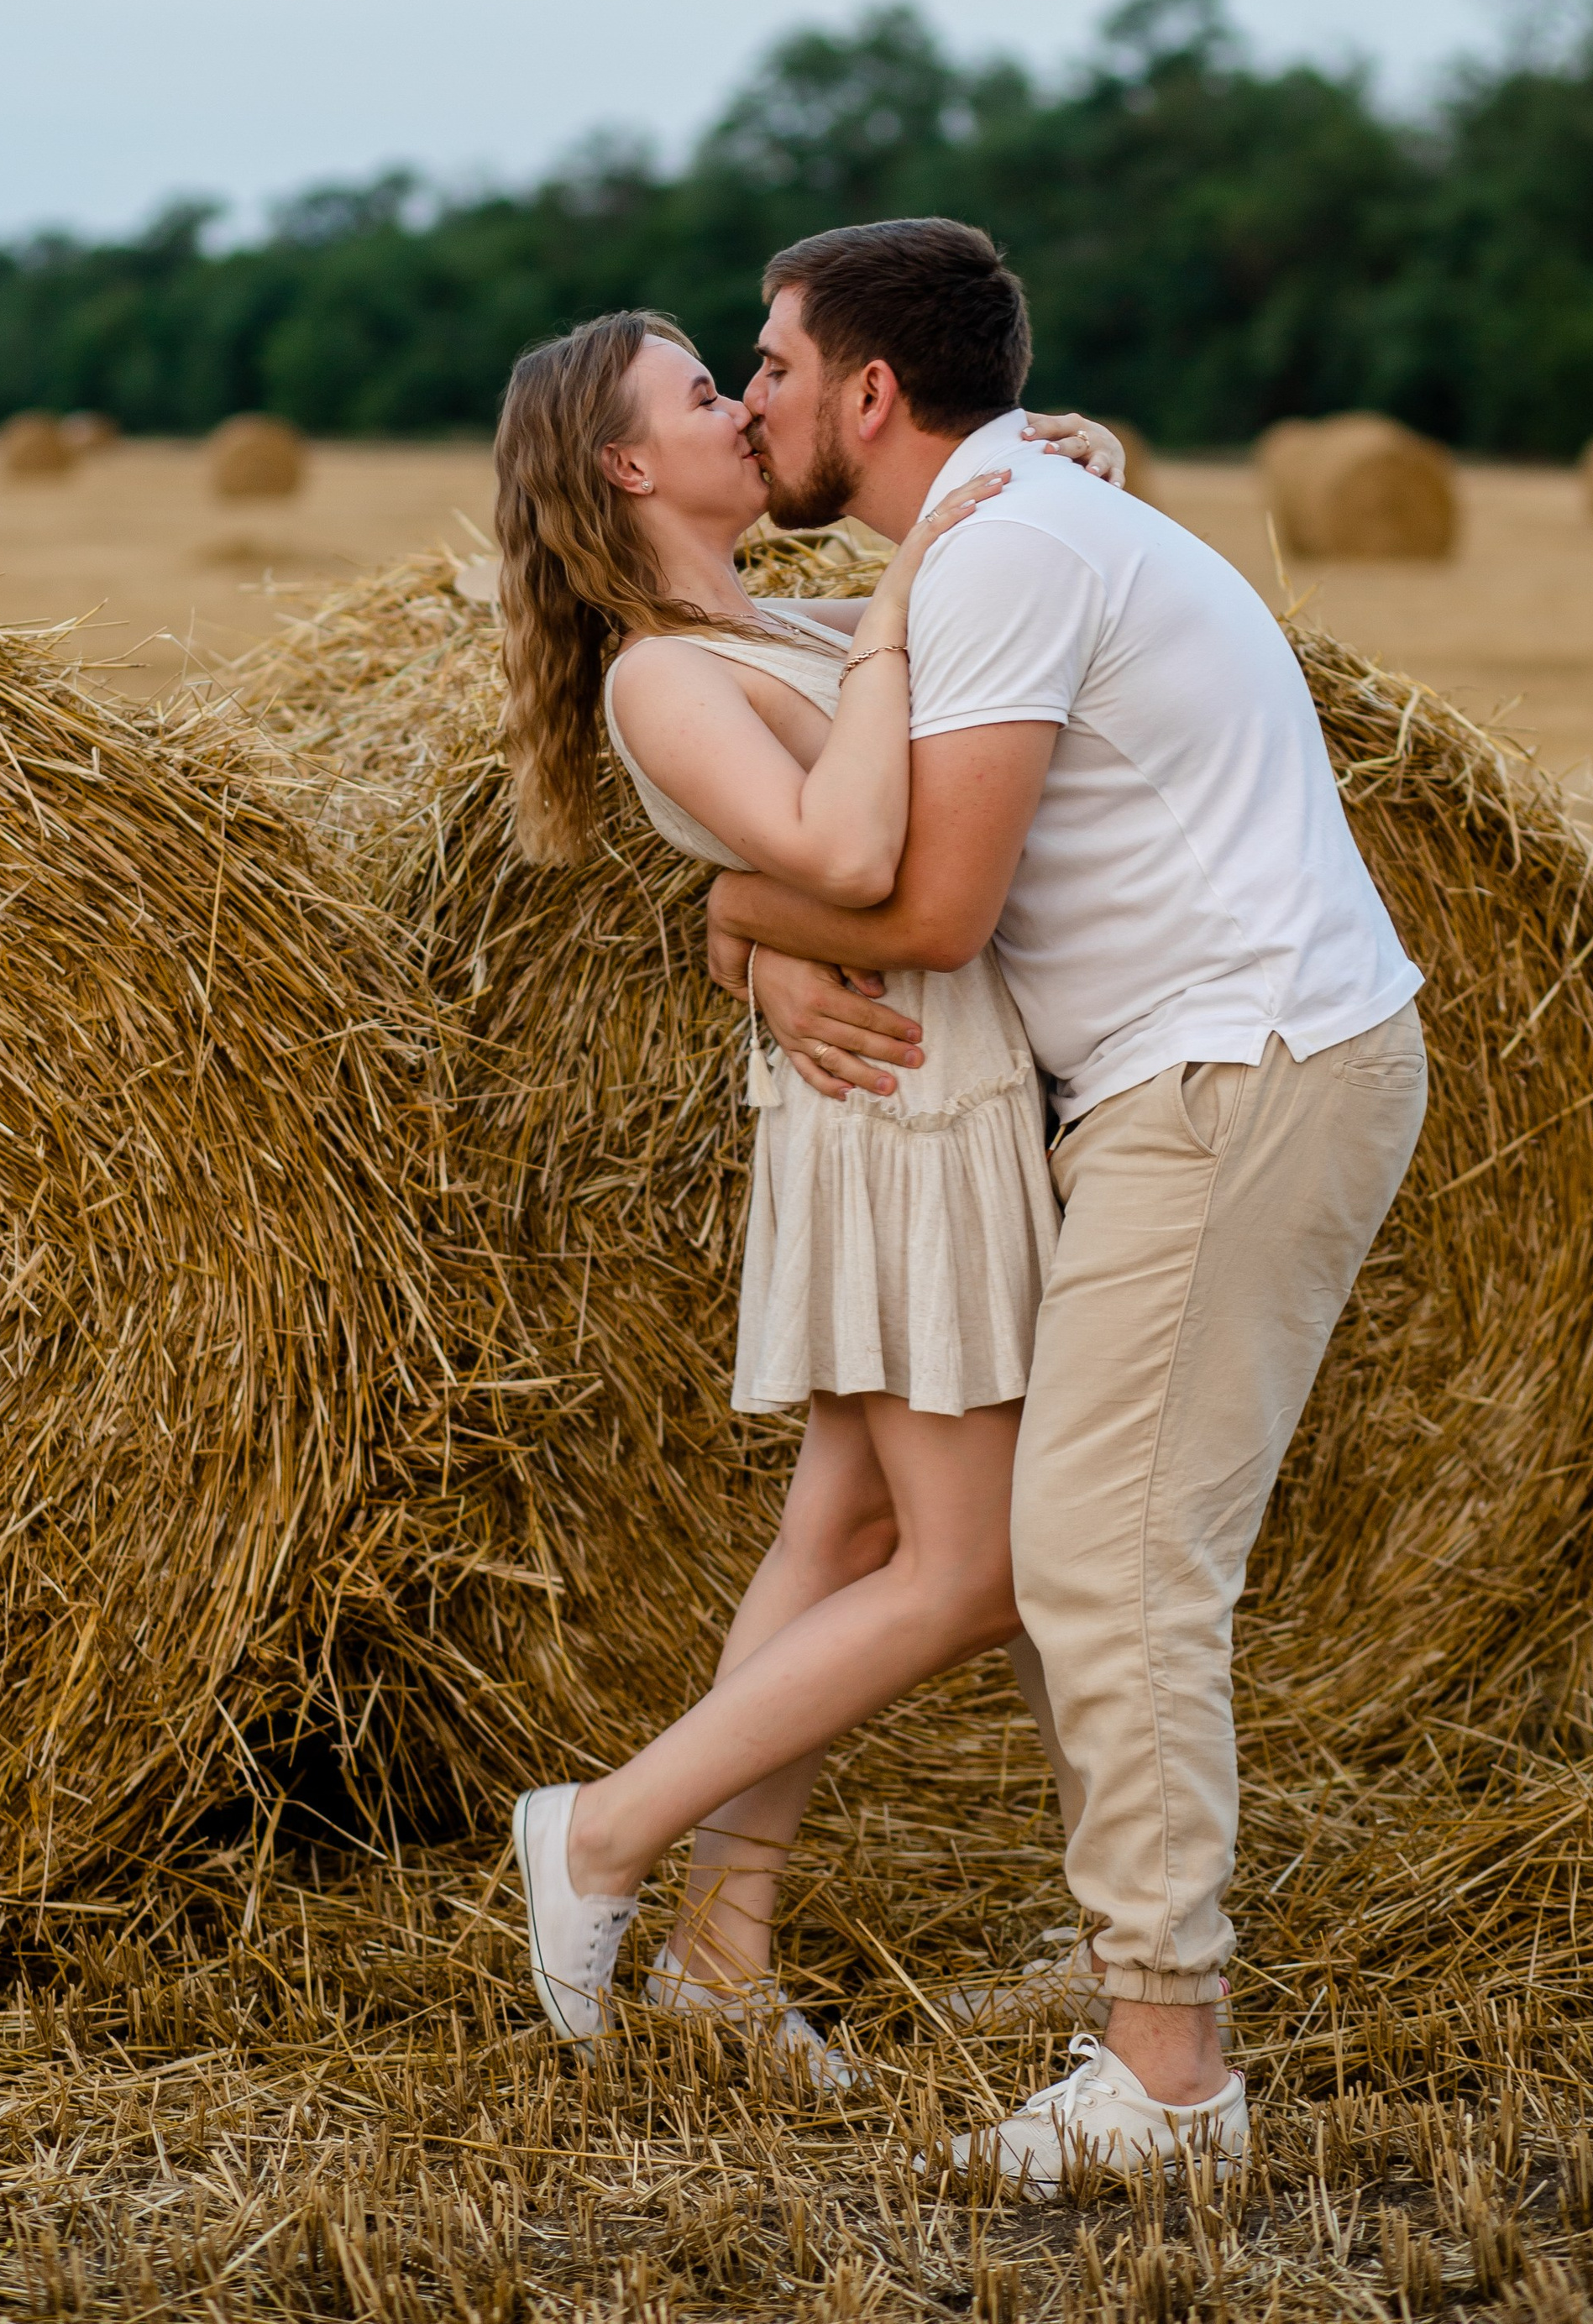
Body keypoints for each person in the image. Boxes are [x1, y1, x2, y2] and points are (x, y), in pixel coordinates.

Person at [705, 217, 1427, 2191]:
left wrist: (727, 914)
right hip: (1210, 1071)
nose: (745, 394)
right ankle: (1131, 1979)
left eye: (766, 363)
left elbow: (929, 906)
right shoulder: (1011, 518)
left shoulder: (1009, 546)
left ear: (867, 392)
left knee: (1104, 1569)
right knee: (1089, 1555)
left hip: (1230, 1077)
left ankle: (1168, 2081)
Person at [490, 307, 1124, 2087]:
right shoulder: (657, 675)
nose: (745, 408)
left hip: (922, 1085)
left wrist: (1033, 482)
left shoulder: (769, 624)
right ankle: (603, 1834)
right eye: (706, 394)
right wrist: (926, 592)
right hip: (900, 1115)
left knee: (837, 1536)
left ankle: (718, 1949)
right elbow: (847, 848)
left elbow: (974, 699)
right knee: (975, 1562)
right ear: (630, 467)